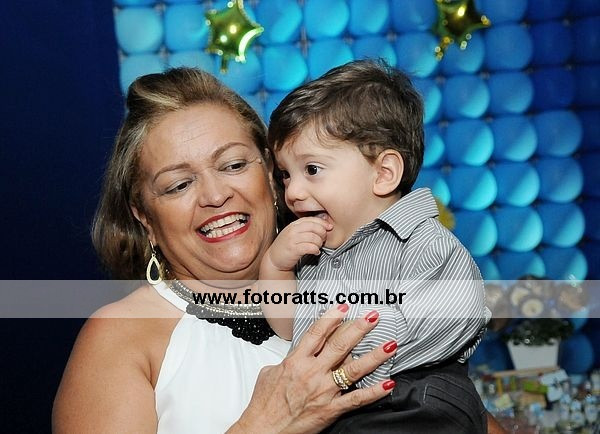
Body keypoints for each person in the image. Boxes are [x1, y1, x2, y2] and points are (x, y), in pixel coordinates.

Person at [51, 67, 399, 433]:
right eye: (179, 185)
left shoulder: (356, 286)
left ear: (271, 174)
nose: (215, 196)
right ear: (146, 219)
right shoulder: (124, 334)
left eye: (233, 165)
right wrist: (267, 424)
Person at [260, 59, 490, 433]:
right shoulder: (317, 256)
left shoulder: (425, 244)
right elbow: (290, 330)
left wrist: (338, 358)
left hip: (414, 403)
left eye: (312, 170)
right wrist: (276, 267)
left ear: (384, 174)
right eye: (286, 175)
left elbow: (453, 318)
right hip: (344, 410)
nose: (293, 192)